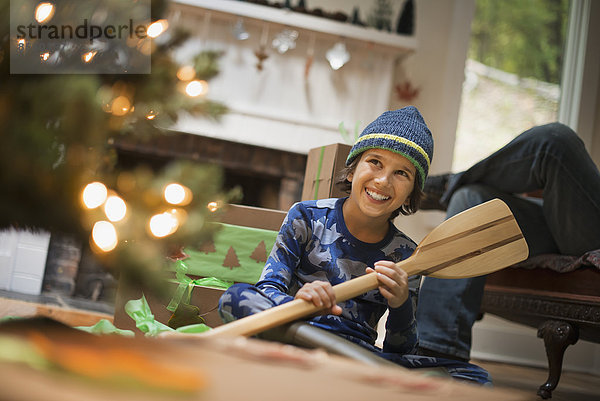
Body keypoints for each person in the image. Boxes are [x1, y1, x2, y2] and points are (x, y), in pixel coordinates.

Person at [219, 106, 491, 385]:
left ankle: (336, 367)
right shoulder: (305, 216)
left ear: (411, 195)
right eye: (375, 162)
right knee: (235, 297)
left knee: (474, 376)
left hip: (358, 350)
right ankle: (352, 373)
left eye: (402, 173)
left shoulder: (408, 255)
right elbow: (268, 288)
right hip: (297, 327)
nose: (383, 180)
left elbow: (403, 348)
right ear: (351, 171)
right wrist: (300, 302)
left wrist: (400, 304)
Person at [416, 122, 600, 362]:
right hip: (568, 224)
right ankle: (435, 348)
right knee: (470, 198)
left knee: (555, 140)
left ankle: (448, 185)